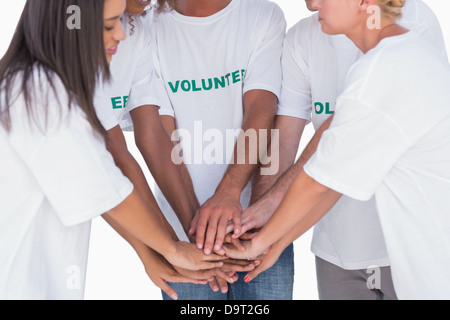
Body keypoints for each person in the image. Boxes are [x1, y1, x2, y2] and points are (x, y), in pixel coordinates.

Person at [0, 0, 226, 300]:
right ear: (72, 25)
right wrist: (172, 249)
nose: (121, 34)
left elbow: (112, 170)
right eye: (109, 25)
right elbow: (107, 187)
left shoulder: (50, 86)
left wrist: (174, 245)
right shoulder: (41, 93)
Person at [224, 0, 450, 300]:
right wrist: (276, 242)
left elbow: (316, 184)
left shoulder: (385, 69)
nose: (314, 4)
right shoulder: (402, 55)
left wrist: (258, 242)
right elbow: (334, 179)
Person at [96, 0, 254, 298]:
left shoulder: (137, 29)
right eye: (108, 26)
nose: (118, 34)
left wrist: (195, 241)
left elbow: (149, 137)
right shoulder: (58, 74)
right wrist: (160, 250)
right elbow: (103, 168)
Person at [148, 0, 292, 299]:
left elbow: (262, 108)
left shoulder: (262, 15)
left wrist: (229, 193)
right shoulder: (144, 28)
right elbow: (161, 134)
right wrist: (202, 235)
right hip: (183, 235)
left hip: (260, 227)